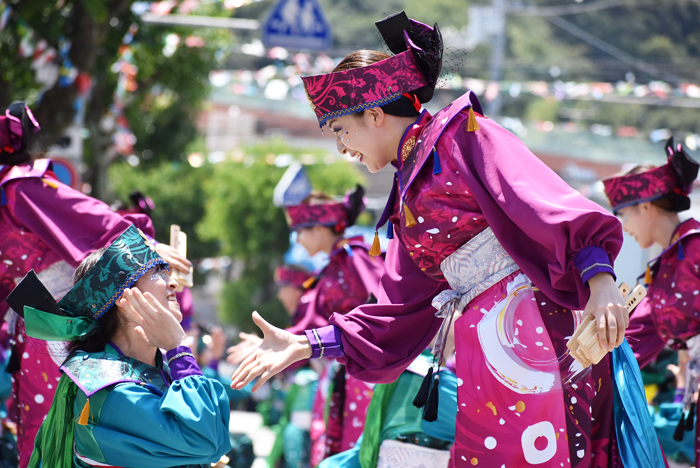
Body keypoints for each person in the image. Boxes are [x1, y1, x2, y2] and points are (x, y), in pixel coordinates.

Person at [229, 12, 665, 467]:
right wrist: (307, 344)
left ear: (375, 114)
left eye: (341, 130)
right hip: (484, 348)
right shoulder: (407, 200)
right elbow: (393, 312)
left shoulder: (465, 135)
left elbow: (547, 205)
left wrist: (600, 279)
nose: (341, 148)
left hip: (541, 329)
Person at [0, 101, 191, 468]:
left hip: (63, 326)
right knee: (42, 433)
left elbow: (92, 220)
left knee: (72, 431)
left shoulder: (18, 188)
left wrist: (142, 248)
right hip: (35, 331)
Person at [7, 225, 231, 468]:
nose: (173, 283)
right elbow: (208, 441)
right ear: (124, 299)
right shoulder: (109, 389)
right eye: (157, 273)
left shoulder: (158, 370)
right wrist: (177, 346)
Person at [229, 187, 385, 465]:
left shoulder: (354, 258)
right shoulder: (336, 265)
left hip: (365, 375)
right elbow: (314, 326)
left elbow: (381, 309)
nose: (298, 241)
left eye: (300, 232)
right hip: (346, 373)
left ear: (319, 229)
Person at [603, 138, 700, 463]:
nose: (623, 227)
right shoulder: (665, 264)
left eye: (623, 214)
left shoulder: (695, 249)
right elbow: (636, 334)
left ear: (645, 206)